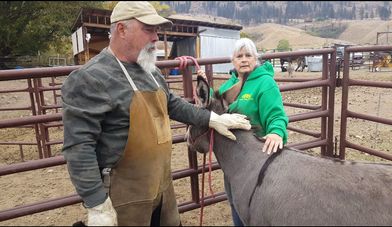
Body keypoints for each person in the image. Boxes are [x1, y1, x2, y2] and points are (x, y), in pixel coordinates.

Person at [61, 1, 251, 226]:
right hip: (125, 199)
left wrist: (213, 118)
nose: (156, 38)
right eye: (148, 30)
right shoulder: (90, 78)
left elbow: (171, 104)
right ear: (121, 30)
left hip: (161, 189)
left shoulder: (150, 72)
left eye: (156, 31)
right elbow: (79, 147)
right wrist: (97, 204)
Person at [198, 38, 288, 226]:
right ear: (233, 61)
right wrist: (204, 85)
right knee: (235, 202)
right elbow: (215, 105)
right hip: (234, 159)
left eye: (249, 55)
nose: (244, 59)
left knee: (255, 207)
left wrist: (276, 132)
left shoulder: (265, 84)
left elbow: (276, 114)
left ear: (256, 58)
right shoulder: (231, 83)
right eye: (240, 56)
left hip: (258, 158)